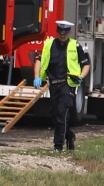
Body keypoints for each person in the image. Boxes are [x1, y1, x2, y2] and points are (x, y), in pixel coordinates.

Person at [34, 20, 90, 151]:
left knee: (62, 114)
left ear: (69, 32)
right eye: (60, 32)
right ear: (57, 31)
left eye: (65, 33)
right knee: (54, 115)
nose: (62, 35)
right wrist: (37, 76)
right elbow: (39, 60)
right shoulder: (49, 44)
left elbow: (86, 64)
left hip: (67, 84)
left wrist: (81, 77)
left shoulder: (75, 46)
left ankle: (58, 146)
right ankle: (69, 135)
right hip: (53, 84)